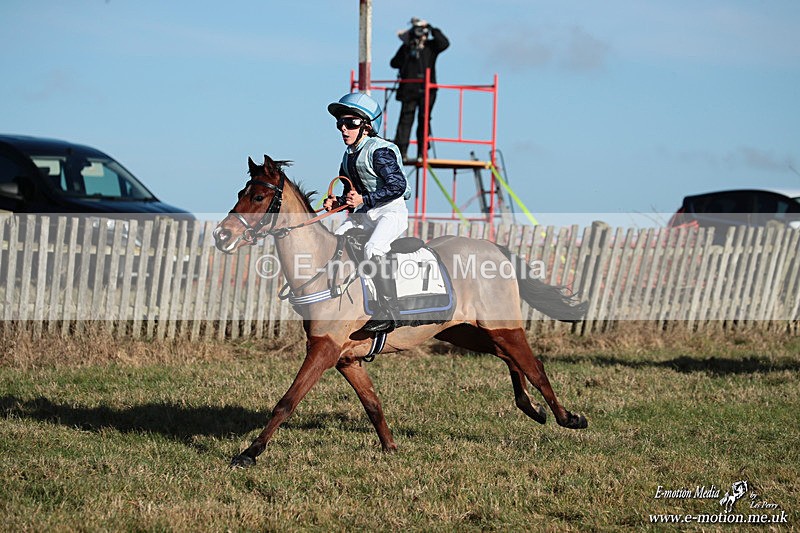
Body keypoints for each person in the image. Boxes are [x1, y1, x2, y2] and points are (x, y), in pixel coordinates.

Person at [324, 92, 411, 333]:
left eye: (350, 123)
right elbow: (351, 197)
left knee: (373, 249)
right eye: (340, 123)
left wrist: (363, 199)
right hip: (367, 214)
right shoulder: (348, 156)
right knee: (335, 241)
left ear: (367, 126)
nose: (344, 129)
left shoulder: (380, 151)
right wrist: (337, 202)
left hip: (391, 213)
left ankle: (390, 311)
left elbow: (398, 186)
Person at [390, 17, 449, 161]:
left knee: (424, 119)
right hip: (409, 91)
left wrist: (431, 27)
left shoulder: (431, 47)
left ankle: (422, 152)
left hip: (427, 91)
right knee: (405, 120)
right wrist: (407, 43)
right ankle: (401, 151)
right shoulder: (406, 48)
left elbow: (444, 43)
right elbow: (394, 63)